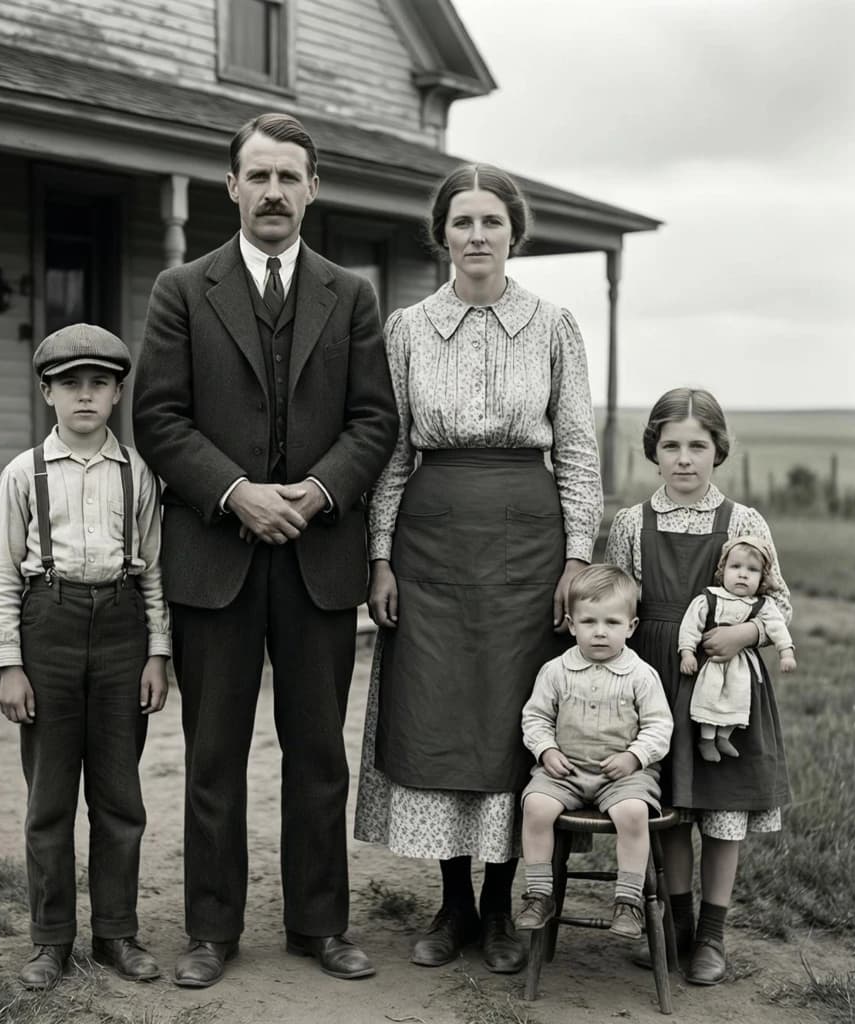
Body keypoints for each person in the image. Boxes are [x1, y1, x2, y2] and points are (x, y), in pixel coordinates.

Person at [132, 112, 398, 988]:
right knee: (214, 755)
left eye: (290, 176)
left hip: (319, 559)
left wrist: (316, 494)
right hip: (214, 553)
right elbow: (158, 418)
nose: (275, 192)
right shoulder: (182, 288)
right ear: (233, 187)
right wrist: (237, 493)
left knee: (319, 754)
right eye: (260, 176)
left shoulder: (351, 295)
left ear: (312, 188)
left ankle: (320, 926)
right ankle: (211, 930)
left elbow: (373, 422)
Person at [354, 164, 603, 974]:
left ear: (513, 232)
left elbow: (574, 451)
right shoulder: (408, 328)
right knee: (436, 715)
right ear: (442, 235)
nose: (476, 236)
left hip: (529, 546)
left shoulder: (554, 323)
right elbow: (390, 454)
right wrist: (382, 556)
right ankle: (452, 903)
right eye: (461, 222)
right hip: (429, 544)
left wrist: (577, 558)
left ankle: (502, 907)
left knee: (507, 717)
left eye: (491, 222)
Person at [0, 323, 170, 990]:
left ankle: (117, 932)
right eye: (70, 384)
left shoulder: (138, 473)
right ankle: (51, 940)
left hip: (121, 631)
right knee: (50, 799)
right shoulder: (21, 474)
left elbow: (153, 571)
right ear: (46, 393)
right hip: (49, 629)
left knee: (120, 797)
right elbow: (3, 575)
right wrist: (10, 662)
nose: (84, 396)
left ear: (118, 394)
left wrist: (157, 653)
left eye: (98, 383)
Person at [605, 387, 792, 985]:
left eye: (698, 446)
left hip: (726, 686)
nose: (685, 458)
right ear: (653, 453)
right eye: (671, 446)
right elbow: (618, 604)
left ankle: (712, 935)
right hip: (657, 676)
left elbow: (778, 599)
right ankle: (677, 928)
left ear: (718, 451)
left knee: (721, 808)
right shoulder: (633, 522)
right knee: (674, 807)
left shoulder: (743, 522)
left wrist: (746, 637)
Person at [515, 565, 672, 940]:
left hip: (623, 777)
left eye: (612, 622)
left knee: (633, 813)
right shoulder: (556, 671)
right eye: (589, 621)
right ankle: (540, 893)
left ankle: (628, 901)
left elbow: (659, 726)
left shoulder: (640, 675)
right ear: (571, 624)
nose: (600, 631)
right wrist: (546, 750)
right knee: (535, 805)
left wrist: (634, 757)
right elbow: (535, 717)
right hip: (565, 773)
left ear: (631, 627)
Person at [679, 536, 796, 762]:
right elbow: (690, 626)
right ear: (723, 571)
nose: (743, 574)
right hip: (712, 663)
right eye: (736, 567)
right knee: (710, 695)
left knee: (739, 696)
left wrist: (786, 651)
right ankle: (706, 740)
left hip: (741, 664)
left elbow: (777, 627)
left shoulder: (762, 605)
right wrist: (687, 652)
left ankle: (724, 736)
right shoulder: (709, 598)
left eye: (752, 570)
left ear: (762, 578)